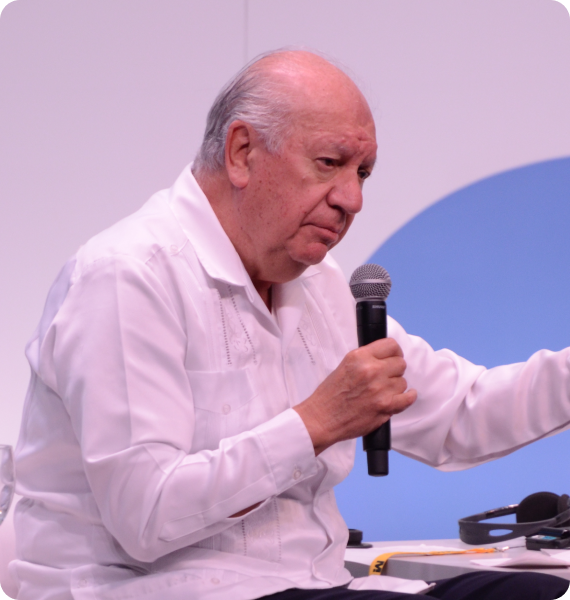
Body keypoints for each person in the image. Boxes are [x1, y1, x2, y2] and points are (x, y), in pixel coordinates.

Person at [10, 50, 570, 600]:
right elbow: (147, 514)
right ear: (243, 152)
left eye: (364, 173)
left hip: (313, 583)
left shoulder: (319, 284)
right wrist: (316, 422)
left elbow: (460, 415)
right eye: (330, 163)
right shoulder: (128, 275)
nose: (351, 199)